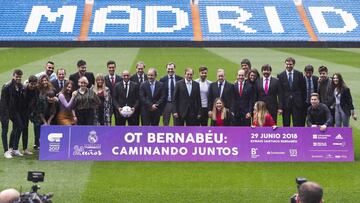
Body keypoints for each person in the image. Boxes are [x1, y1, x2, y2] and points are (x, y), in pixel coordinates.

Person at [2, 69, 26, 157]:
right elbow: (4, 102)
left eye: (20, 77)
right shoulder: (6, 87)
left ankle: (15, 149)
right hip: (4, 111)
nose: (18, 78)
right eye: (17, 77)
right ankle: (6, 151)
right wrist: (6, 115)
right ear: (13, 76)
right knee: (5, 130)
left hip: (14, 111)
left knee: (20, 126)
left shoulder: (20, 86)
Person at [277, 57, 306, 126]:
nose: (288, 66)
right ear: (285, 64)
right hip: (286, 104)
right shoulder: (280, 75)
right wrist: (280, 106)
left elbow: (303, 89)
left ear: (293, 64)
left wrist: (302, 102)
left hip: (297, 103)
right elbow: (280, 93)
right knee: (286, 123)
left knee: (297, 123)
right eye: (287, 64)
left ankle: (298, 136)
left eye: (290, 64)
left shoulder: (299, 74)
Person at [21, 75, 39, 155]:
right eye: (32, 84)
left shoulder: (36, 89)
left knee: (37, 125)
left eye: (35, 84)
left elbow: (36, 100)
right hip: (22, 112)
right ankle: (22, 149)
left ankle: (36, 144)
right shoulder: (24, 89)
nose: (33, 86)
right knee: (23, 129)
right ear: (29, 83)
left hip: (32, 112)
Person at [104, 60, 122, 124]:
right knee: (108, 122)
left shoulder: (120, 79)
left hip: (118, 104)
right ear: (107, 68)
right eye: (110, 67)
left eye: (113, 67)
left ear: (115, 68)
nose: (111, 69)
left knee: (119, 122)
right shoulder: (104, 79)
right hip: (108, 105)